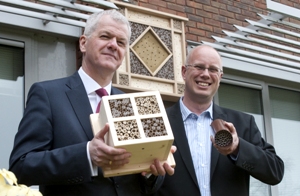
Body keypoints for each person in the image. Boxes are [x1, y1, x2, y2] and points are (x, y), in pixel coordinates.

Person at [9, 9, 175, 196]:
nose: (113, 45)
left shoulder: (131, 104)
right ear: (83, 43)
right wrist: (87, 154)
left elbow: (140, 184)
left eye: (121, 42)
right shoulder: (48, 94)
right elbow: (21, 166)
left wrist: (150, 172)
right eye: (105, 36)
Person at [155, 45, 284, 196]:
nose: (205, 74)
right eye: (199, 67)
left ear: (220, 77)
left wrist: (238, 148)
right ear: (184, 72)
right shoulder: (159, 122)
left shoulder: (243, 123)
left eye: (213, 69)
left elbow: (275, 171)